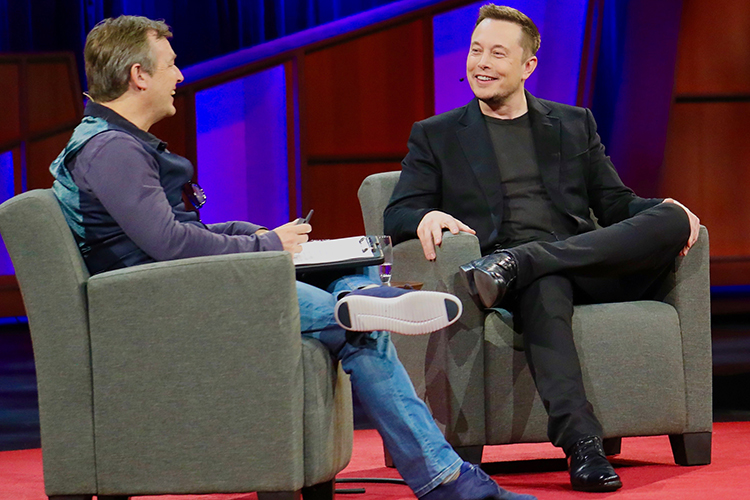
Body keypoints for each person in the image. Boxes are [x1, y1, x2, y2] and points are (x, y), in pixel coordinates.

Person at [49, 15, 537, 500]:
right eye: (171, 65)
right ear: (139, 75)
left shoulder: (117, 144)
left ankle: (361, 295)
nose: (179, 77)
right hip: (169, 303)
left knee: (348, 273)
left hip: (184, 285)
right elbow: (171, 247)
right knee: (356, 323)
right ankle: (444, 477)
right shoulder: (112, 149)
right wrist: (264, 248)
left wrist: (248, 232)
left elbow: (173, 234)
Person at [384, 4, 700, 493]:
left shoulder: (573, 124)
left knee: (673, 216)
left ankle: (523, 260)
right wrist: (425, 215)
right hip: (521, 282)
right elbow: (398, 211)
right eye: (475, 50)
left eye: (497, 53)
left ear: (528, 65)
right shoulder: (438, 134)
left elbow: (616, 204)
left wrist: (664, 213)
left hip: (577, 261)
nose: (481, 63)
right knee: (543, 283)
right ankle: (583, 446)